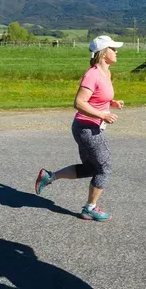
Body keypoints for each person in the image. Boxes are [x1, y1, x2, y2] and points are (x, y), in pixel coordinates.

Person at [34, 35, 124, 221]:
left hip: (89, 126)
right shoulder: (92, 74)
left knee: (91, 168)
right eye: (113, 48)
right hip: (87, 128)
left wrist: (111, 103)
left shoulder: (105, 73)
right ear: (103, 52)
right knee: (104, 168)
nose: (116, 51)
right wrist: (103, 115)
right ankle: (89, 208)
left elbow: (97, 97)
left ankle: (49, 177)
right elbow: (79, 102)